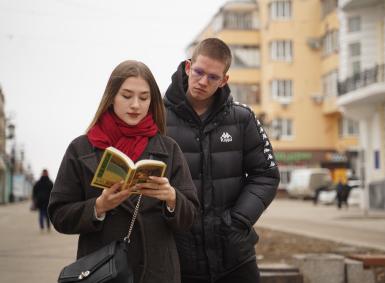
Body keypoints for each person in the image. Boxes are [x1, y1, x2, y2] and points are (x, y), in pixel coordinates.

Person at [48, 60, 199, 283]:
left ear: (152, 101)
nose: (135, 105)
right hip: (102, 272)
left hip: (157, 272)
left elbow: (191, 216)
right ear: (111, 97)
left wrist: (172, 198)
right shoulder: (81, 149)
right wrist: (99, 207)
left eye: (144, 97)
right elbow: (59, 215)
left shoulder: (168, 148)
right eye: (127, 96)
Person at [164, 38, 280, 283]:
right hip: (178, 256)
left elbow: (266, 174)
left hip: (235, 256)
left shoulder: (242, 118)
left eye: (213, 77)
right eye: (199, 72)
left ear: (224, 80)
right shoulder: (157, 118)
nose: (203, 82)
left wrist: (238, 221)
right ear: (187, 67)